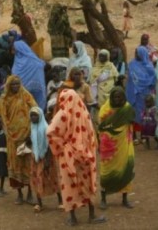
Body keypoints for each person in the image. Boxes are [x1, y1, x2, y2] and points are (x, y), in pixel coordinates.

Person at [47, 73, 106, 226]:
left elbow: (50, 132)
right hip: (86, 154)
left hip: (68, 157)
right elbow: (91, 133)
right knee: (88, 183)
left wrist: (63, 146)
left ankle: (72, 218)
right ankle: (91, 215)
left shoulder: (62, 115)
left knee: (69, 185)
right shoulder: (84, 113)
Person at [0, 75, 37, 204]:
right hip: (12, 138)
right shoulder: (5, 99)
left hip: (26, 136)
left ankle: (30, 193)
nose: (16, 86)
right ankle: (19, 194)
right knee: (15, 164)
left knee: (28, 164)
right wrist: (2, 98)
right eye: (13, 84)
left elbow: (35, 108)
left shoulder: (25, 95)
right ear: (9, 86)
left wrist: (32, 131)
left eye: (18, 84)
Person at [98, 86, 135, 209]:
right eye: (115, 97)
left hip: (124, 144)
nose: (118, 99)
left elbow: (131, 123)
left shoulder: (127, 108)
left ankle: (125, 198)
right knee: (106, 171)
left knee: (125, 169)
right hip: (108, 146)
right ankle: (103, 199)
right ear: (111, 98)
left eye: (120, 97)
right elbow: (101, 126)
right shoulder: (105, 109)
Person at [27, 106, 60, 212]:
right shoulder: (32, 127)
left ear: (40, 116)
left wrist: (47, 160)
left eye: (35, 115)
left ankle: (60, 201)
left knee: (52, 178)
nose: (33, 118)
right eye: (31, 115)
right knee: (37, 179)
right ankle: (39, 203)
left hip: (46, 157)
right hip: (36, 158)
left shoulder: (45, 128)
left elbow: (49, 145)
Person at [11, 41, 48, 112]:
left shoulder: (32, 60)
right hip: (26, 90)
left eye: (14, 49)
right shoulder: (19, 60)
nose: (13, 52)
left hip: (32, 90)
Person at [127, 44, 156, 128]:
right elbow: (129, 78)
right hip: (132, 93)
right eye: (135, 53)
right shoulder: (132, 64)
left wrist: (143, 85)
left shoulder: (149, 67)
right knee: (133, 113)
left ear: (143, 54)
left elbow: (153, 80)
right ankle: (134, 132)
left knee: (143, 114)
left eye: (138, 53)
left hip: (143, 94)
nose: (136, 55)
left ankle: (143, 131)